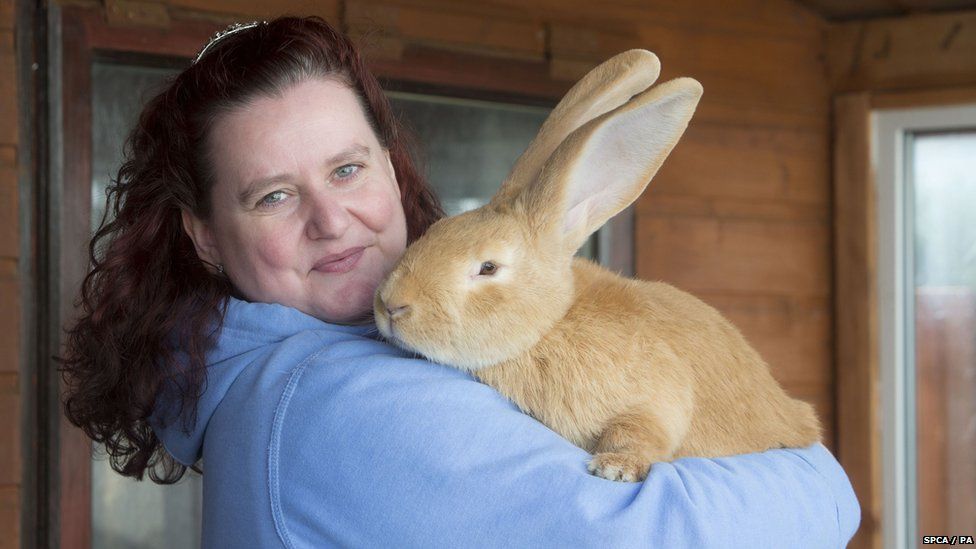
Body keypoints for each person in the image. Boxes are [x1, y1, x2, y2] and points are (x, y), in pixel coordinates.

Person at [61, 16, 860, 548]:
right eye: (273, 195)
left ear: (390, 164)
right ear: (203, 236)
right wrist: (820, 475)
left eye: (347, 168)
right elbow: (647, 532)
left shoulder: (263, 375)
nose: (332, 220)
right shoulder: (337, 400)